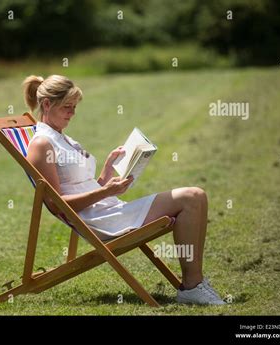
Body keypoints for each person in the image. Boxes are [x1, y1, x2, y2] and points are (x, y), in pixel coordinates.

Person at [24, 74, 225, 305]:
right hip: (104, 221)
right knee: (192, 196)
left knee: (196, 197)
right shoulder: (42, 144)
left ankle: (194, 283)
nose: (72, 113)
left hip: (109, 210)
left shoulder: (62, 138)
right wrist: (106, 191)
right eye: (67, 107)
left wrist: (106, 173)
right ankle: (192, 286)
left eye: (74, 107)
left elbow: (83, 188)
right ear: (47, 104)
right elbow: (57, 204)